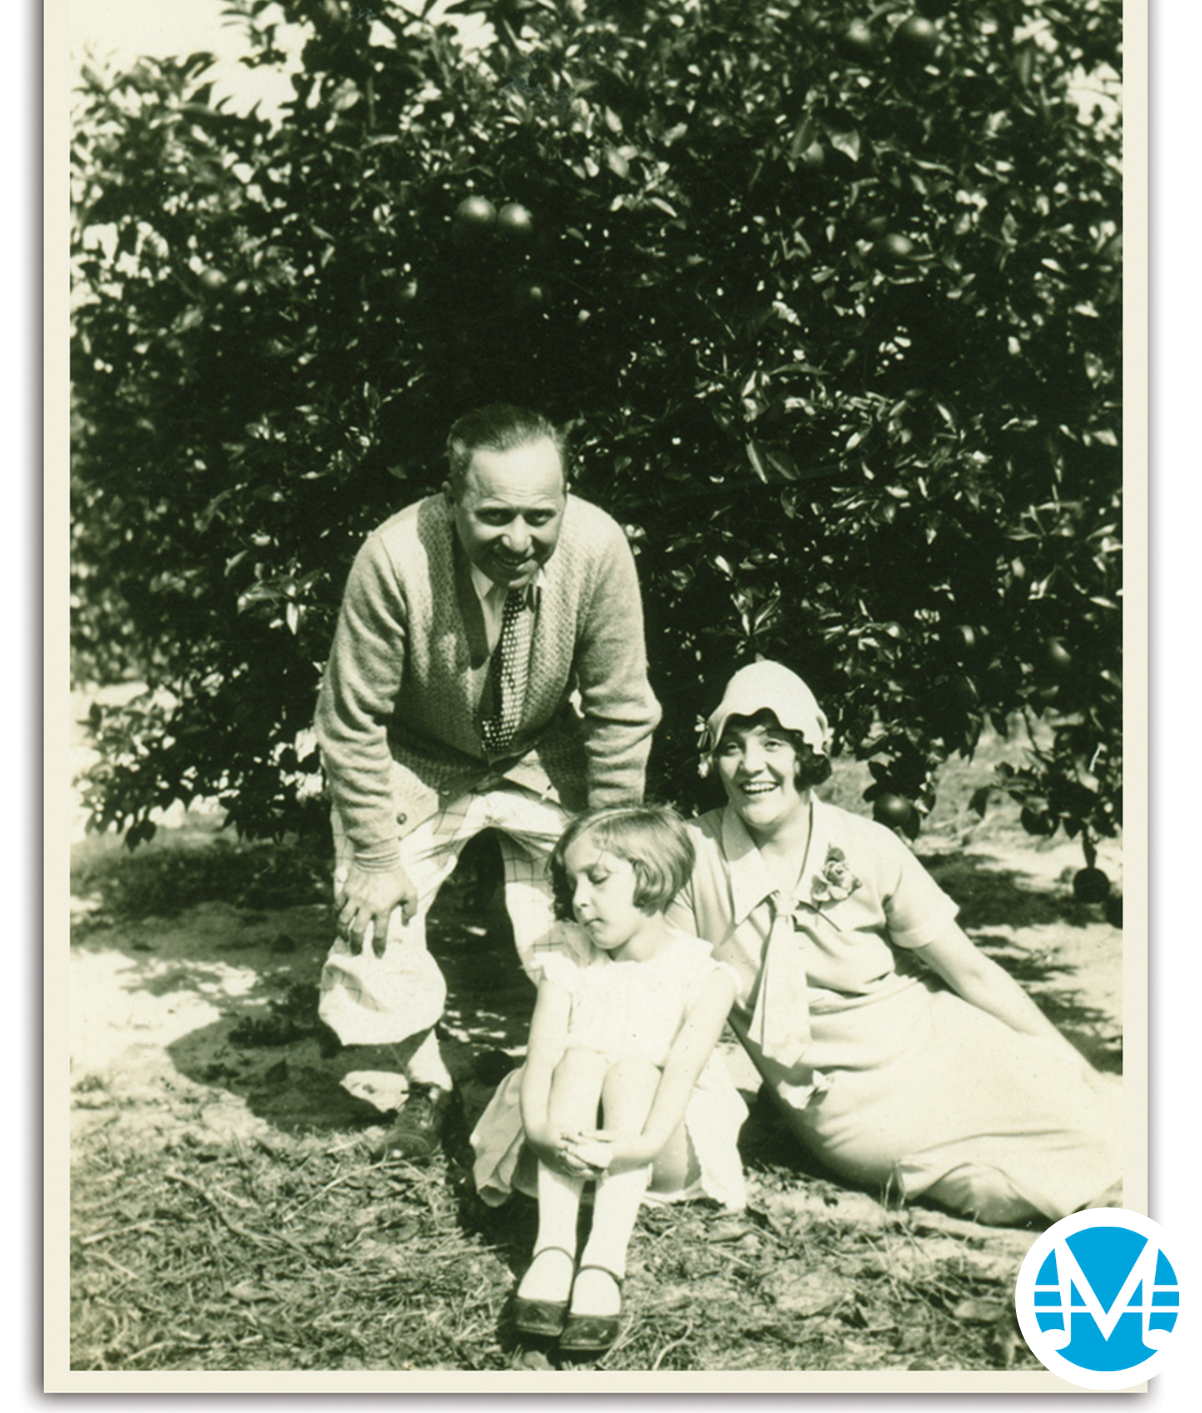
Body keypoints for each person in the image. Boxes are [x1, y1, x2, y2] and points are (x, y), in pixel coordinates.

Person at [315, 404, 661, 1160]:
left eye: (540, 516)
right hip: (417, 758)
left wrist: (613, 843)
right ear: (450, 499)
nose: (518, 539)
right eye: (494, 514)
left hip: (539, 754)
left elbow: (621, 710)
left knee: (618, 903)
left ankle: (591, 1064)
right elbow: (348, 721)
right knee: (374, 912)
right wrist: (374, 858)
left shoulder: (598, 548)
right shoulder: (394, 557)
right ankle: (428, 1083)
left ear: (567, 497)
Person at [669, 659, 1123, 1227]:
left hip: (934, 1037)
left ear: (807, 751)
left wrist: (1066, 1057)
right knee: (1002, 1185)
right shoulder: (693, 857)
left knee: (1098, 1118)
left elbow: (971, 971)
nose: (751, 766)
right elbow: (668, 995)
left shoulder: (868, 844)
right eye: (732, 746)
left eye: (773, 744)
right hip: (844, 1096)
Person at [470, 806, 745, 1352]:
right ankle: (552, 1249)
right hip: (559, 1146)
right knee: (579, 1059)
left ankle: (603, 1257)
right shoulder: (570, 957)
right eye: (572, 882)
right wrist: (542, 1131)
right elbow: (542, 1059)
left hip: (654, 1149)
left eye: (598, 880)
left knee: (636, 1069)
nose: (579, 899)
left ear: (654, 879)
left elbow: (680, 1080)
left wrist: (634, 1147)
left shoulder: (706, 977)